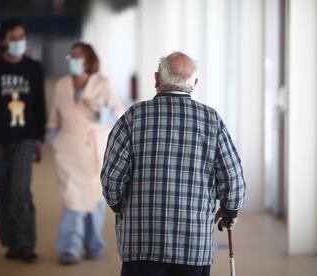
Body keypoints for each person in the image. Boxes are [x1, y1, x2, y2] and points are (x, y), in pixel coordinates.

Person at [101, 52, 246, 276]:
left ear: (157, 79)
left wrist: (118, 204)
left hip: (141, 243)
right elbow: (233, 176)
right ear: (194, 84)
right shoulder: (211, 120)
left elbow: (112, 176)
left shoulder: (133, 117)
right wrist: (230, 208)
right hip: (193, 245)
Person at [0, 18, 46, 263]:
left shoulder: (34, 68)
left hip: (24, 138)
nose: (18, 42)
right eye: (13, 37)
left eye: (21, 37)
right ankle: (12, 242)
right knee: (1, 192)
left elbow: (39, 105)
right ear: (2, 41)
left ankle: (26, 244)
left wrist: (39, 139)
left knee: (19, 190)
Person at [46, 42, 124, 265]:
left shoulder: (103, 83)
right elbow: (54, 115)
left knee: (93, 199)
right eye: (72, 56)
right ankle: (69, 248)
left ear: (90, 59)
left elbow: (120, 115)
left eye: (79, 56)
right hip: (68, 148)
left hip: (94, 149)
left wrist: (98, 110)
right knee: (72, 199)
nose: (74, 59)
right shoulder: (61, 85)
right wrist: (51, 139)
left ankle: (93, 243)